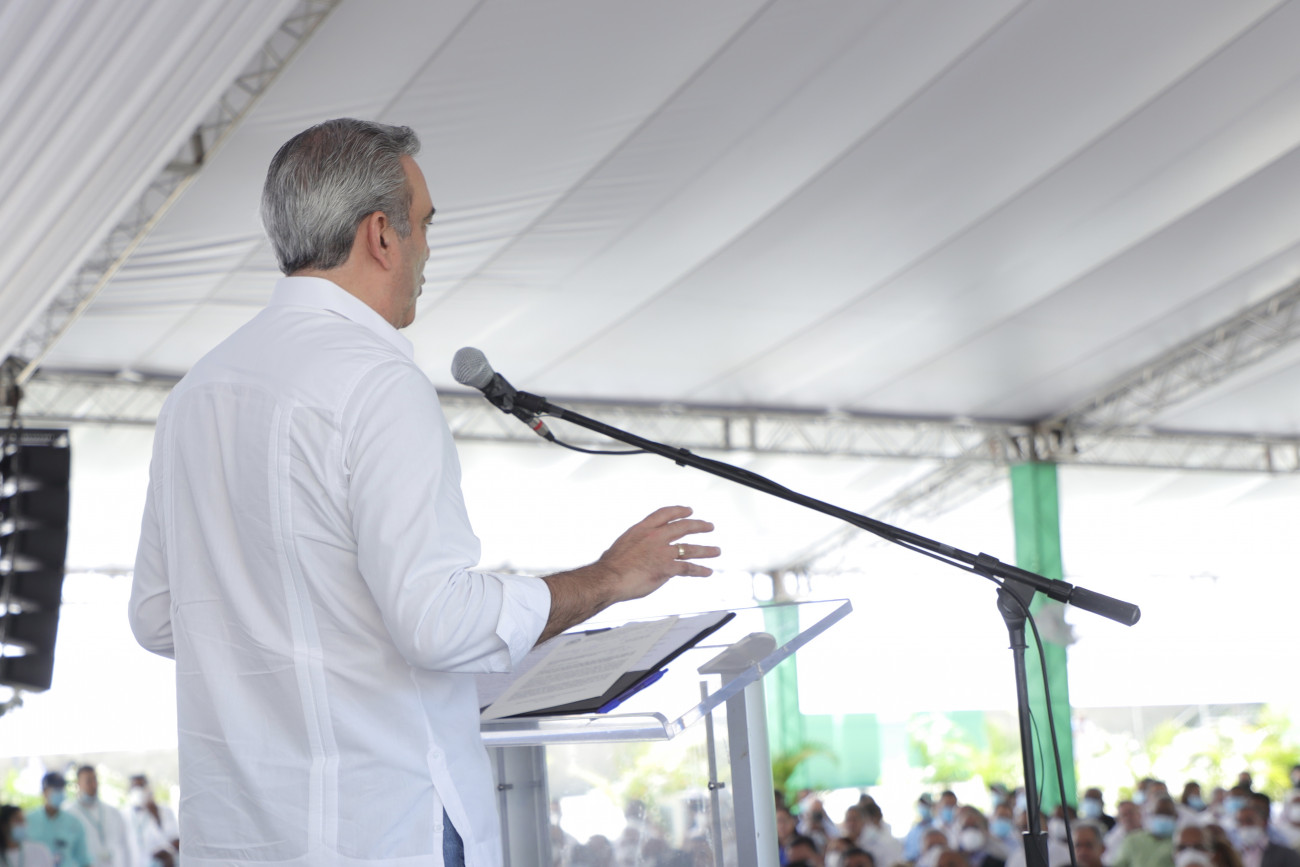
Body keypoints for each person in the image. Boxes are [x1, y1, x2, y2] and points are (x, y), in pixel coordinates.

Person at [128, 119, 720, 867]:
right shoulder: (376, 380)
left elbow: (158, 617)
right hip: (383, 828)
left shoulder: (196, 393)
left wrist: (293, 641)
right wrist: (609, 577)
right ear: (382, 234)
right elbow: (437, 625)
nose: (429, 250)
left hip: (238, 839)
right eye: (426, 224)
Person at [65, 767, 130, 867]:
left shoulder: (112, 812)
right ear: (78, 784)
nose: (94, 785)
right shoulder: (69, 814)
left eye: (95, 780)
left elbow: (125, 845)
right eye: (88, 781)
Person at [24, 774, 91, 867]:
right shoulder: (28, 820)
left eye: (61, 789)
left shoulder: (74, 823)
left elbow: (84, 859)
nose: (59, 792)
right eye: (56, 789)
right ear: (44, 791)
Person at [123, 776, 176, 867]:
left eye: (141, 786)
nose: (138, 791)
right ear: (128, 790)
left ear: (148, 789)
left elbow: (174, 839)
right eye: (135, 787)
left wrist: (156, 815)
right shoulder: (123, 815)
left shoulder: (164, 811)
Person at [1112, 797, 1178, 867]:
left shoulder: (1180, 843)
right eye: (1159, 813)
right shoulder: (1132, 841)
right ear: (1151, 815)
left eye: (1168, 814)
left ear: (1176, 817)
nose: (1163, 817)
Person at [1234, 800, 1300, 867]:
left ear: (1264, 822)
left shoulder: (1285, 854)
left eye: (1249, 821)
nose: (1244, 826)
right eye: (1240, 822)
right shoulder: (1234, 852)